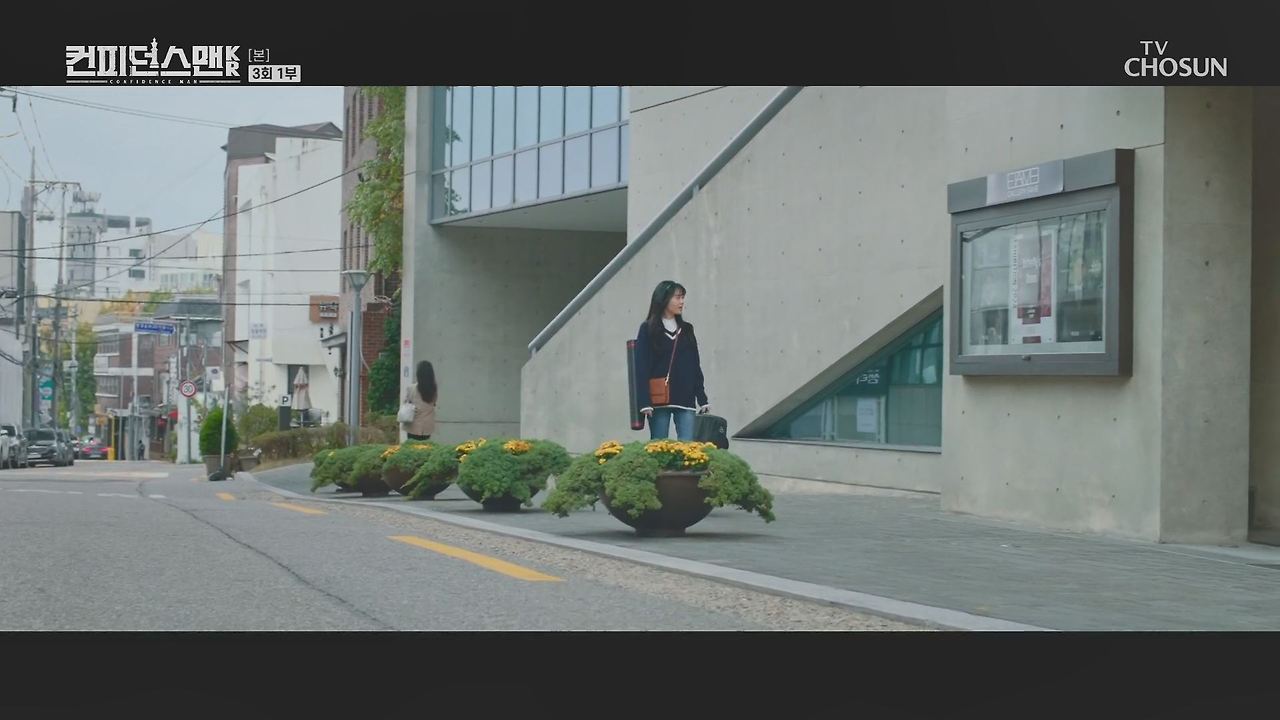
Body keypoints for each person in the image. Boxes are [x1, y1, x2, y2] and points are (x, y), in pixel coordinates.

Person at [634, 280, 709, 441]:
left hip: (686, 399)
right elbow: (641, 367)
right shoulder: (648, 329)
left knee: (688, 449)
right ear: (664, 299)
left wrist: (702, 398)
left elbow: (695, 366)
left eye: (683, 298)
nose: (682, 302)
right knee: (659, 448)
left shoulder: (687, 329)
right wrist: (644, 401)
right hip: (659, 400)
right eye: (677, 297)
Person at [402, 360, 438, 441]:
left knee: (412, 446)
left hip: (413, 425)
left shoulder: (411, 388)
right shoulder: (433, 389)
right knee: (425, 447)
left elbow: (406, 403)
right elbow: (434, 403)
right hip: (427, 426)